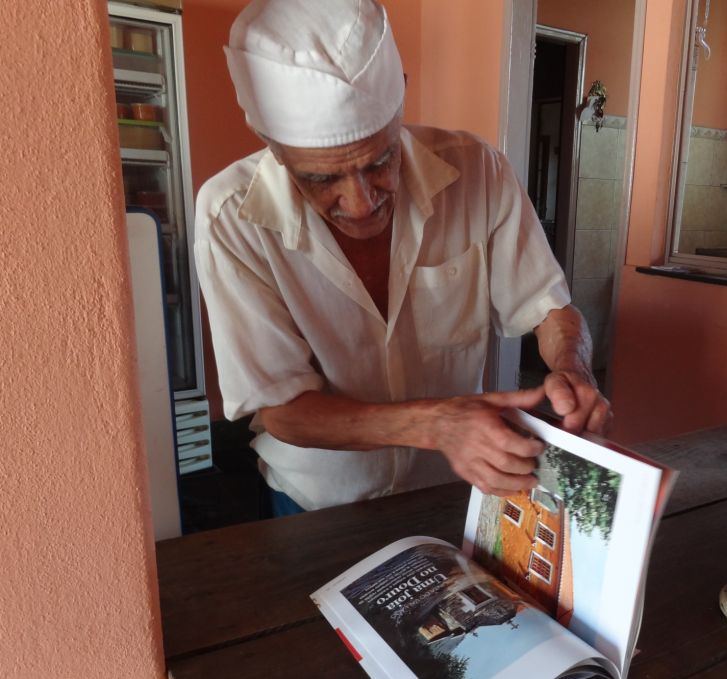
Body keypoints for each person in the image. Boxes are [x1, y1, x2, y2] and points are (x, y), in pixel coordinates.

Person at [195, 0, 610, 514]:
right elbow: (282, 410)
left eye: (380, 161)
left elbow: (549, 309)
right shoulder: (231, 217)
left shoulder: (479, 173)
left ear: (402, 99)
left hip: (452, 489)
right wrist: (435, 424)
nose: (360, 203)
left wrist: (574, 367)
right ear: (272, 147)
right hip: (316, 504)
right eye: (321, 178)